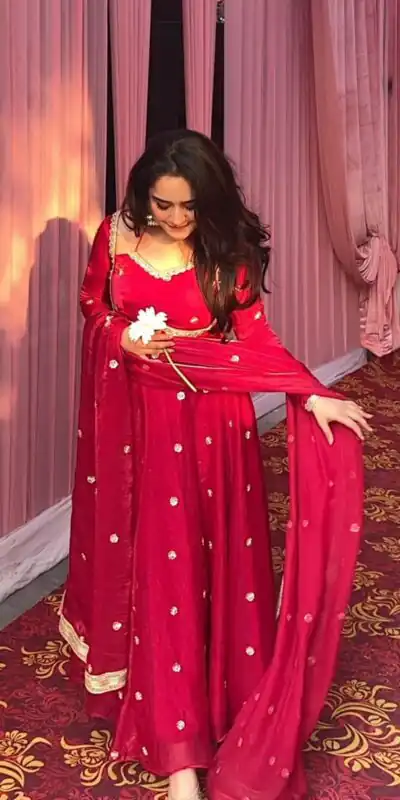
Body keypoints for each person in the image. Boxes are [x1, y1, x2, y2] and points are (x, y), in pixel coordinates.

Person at [60, 130, 370, 800]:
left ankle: (223, 703)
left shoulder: (225, 252)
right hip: (139, 432)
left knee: (214, 565)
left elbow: (255, 339)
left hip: (215, 431)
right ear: (142, 195)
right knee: (162, 573)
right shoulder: (115, 238)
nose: (175, 217)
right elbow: (93, 306)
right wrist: (122, 339)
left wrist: (312, 394)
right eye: (162, 204)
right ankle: (179, 756)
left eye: (188, 205)